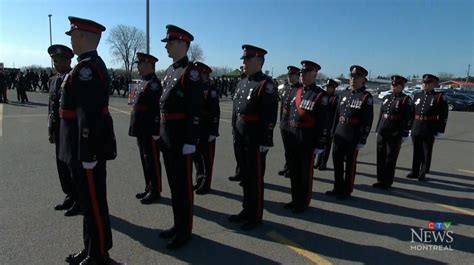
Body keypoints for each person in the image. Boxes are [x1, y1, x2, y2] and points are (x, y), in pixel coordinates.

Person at [61, 16, 117, 265]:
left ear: (83, 36)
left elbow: (89, 115)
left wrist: (87, 154)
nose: (71, 40)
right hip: (79, 148)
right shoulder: (84, 65)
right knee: (87, 201)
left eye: (73, 35)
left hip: (87, 149)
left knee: (94, 203)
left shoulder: (88, 69)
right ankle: (90, 248)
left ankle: (99, 253)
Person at [158, 24, 203, 250]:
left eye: (170, 43)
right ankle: (177, 225)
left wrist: (190, 140)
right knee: (174, 186)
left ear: (183, 44)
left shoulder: (190, 72)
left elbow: (195, 110)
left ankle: (185, 231)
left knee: (183, 187)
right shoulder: (170, 70)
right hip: (168, 137)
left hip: (181, 138)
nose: (167, 46)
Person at [228, 44, 278, 230]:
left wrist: (266, 139)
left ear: (259, 61)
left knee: (255, 178)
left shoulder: (266, 84)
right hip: (241, 136)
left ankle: (255, 216)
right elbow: (236, 110)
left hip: (255, 138)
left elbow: (270, 115)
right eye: (244, 59)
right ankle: (246, 210)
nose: (244, 62)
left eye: (248, 59)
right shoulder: (242, 82)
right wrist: (234, 130)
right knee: (245, 178)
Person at [285, 60, 329, 213]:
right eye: (301, 73)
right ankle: (295, 199)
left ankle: (303, 202)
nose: (302, 76)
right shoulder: (297, 92)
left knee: (304, 173)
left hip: (307, 140)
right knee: (294, 171)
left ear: (314, 74)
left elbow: (323, 122)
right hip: (294, 138)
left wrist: (320, 143)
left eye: (305, 73)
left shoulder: (320, 95)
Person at [327, 65, 373, 200]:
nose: (353, 79)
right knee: (337, 162)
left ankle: (347, 190)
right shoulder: (344, 94)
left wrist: (363, 138)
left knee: (350, 165)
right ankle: (337, 187)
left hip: (353, 135)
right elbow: (337, 114)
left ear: (363, 79)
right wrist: (333, 130)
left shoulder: (365, 97)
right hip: (339, 133)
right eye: (351, 76)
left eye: (356, 77)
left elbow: (367, 120)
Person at [47, 44, 81, 216]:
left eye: (58, 60)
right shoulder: (53, 80)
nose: (55, 63)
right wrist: (50, 129)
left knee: (73, 165)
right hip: (58, 128)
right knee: (61, 164)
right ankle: (69, 195)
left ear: (68, 60)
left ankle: (79, 200)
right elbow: (51, 106)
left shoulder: (74, 77)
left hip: (70, 129)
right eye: (54, 60)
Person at [128, 52, 163, 204]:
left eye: (140, 64)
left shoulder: (154, 84)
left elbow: (156, 109)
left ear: (149, 64)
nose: (138, 66)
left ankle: (156, 190)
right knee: (144, 158)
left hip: (149, 129)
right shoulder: (142, 82)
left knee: (152, 159)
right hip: (141, 128)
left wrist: (156, 130)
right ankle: (148, 186)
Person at [373, 75, 413, 189]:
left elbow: (409, 117)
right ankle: (380, 179)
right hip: (383, 131)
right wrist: (377, 129)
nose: (393, 86)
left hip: (395, 133)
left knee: (390, 159)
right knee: (380, 156)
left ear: (402, 86)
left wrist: (406, 132)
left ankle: (387, 181)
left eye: (396, 85)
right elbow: (381, 114)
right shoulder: (386, 97)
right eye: (392, 84)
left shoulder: (406, 100)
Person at [406, 74, 448, 181]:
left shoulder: (438, 97)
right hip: (416, 125)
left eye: (428, 83)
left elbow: (443, 115)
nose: (425, 85)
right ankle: (414, 171)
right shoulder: (417, 95)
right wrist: (410, 126)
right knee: (416, 150)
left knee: (426, 151)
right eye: (424, 83)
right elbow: (412, 112)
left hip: (429, 127)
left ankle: (423, 172)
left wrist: (441, 130)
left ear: (433, 84)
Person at [193, 62, 220, 194]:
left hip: (207, 128)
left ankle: (206, 183)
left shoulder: (211, 89)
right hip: (197, 128)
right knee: (197, 156)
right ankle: (199, 179)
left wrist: (213, 131)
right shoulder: (196, 87)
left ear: (204, 73)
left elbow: (215, 111)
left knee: (207, 158)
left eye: (198, 72)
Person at [278, 66, 301, 178]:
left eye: (292, 75)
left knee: (293, 148)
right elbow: (282, 107)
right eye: (288, 75)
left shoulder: (300, 89)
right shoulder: (286, 88)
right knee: (287, 148)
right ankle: (287, 166)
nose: (289, 77)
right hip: (284, 122)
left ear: (297, 76)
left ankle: (292, 168)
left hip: (293, 124)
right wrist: (280, 121)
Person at [315, 79, 339, 170]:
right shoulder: (322, 96)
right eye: (326, 87)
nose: (326, 88)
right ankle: (318, 162)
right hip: (321, 124)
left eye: (329, 87)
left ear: (333, 88)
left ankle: (323, 162)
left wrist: (333, 128)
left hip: (330, 125)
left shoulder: (335, 99)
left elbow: (336, 115)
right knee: (320, 142)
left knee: (327, 145)